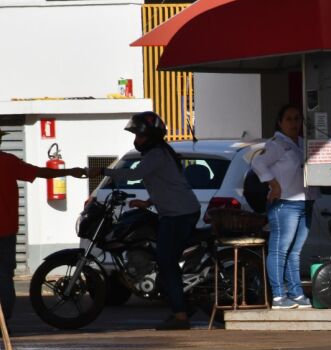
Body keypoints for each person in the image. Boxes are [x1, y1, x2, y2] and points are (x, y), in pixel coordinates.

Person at [87, 112, 200, 330]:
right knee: (161, 254)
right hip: (176, 211)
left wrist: (102, 170)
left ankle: (181, 314)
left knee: (166, 261)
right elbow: (166, 183)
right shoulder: (160, 154)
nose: (136, 140)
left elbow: (133, 175)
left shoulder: (157, 154)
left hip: (179, 215)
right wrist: (147, 203)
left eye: (139, 135)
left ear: (152, 136)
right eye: (135, 135)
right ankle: (181, 303)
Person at [0, 128, 86, 320]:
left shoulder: (8, 161)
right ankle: (3, 322)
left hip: (6, 232)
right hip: (5, 232)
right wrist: (69, 171)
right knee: (4, 278)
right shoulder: (8, 162)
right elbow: (40, 172)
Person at [251, 104, 318, 309]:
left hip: (305, 201)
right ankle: (279, 295)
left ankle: (296, 293)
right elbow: (258, 163)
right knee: (279, 250)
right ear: (280, 122)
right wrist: (274, 185)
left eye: (297, 118)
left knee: (295, 251)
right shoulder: (276, 144)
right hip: (285, 204)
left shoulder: (302, 143)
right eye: (289, 119)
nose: (294, 123)